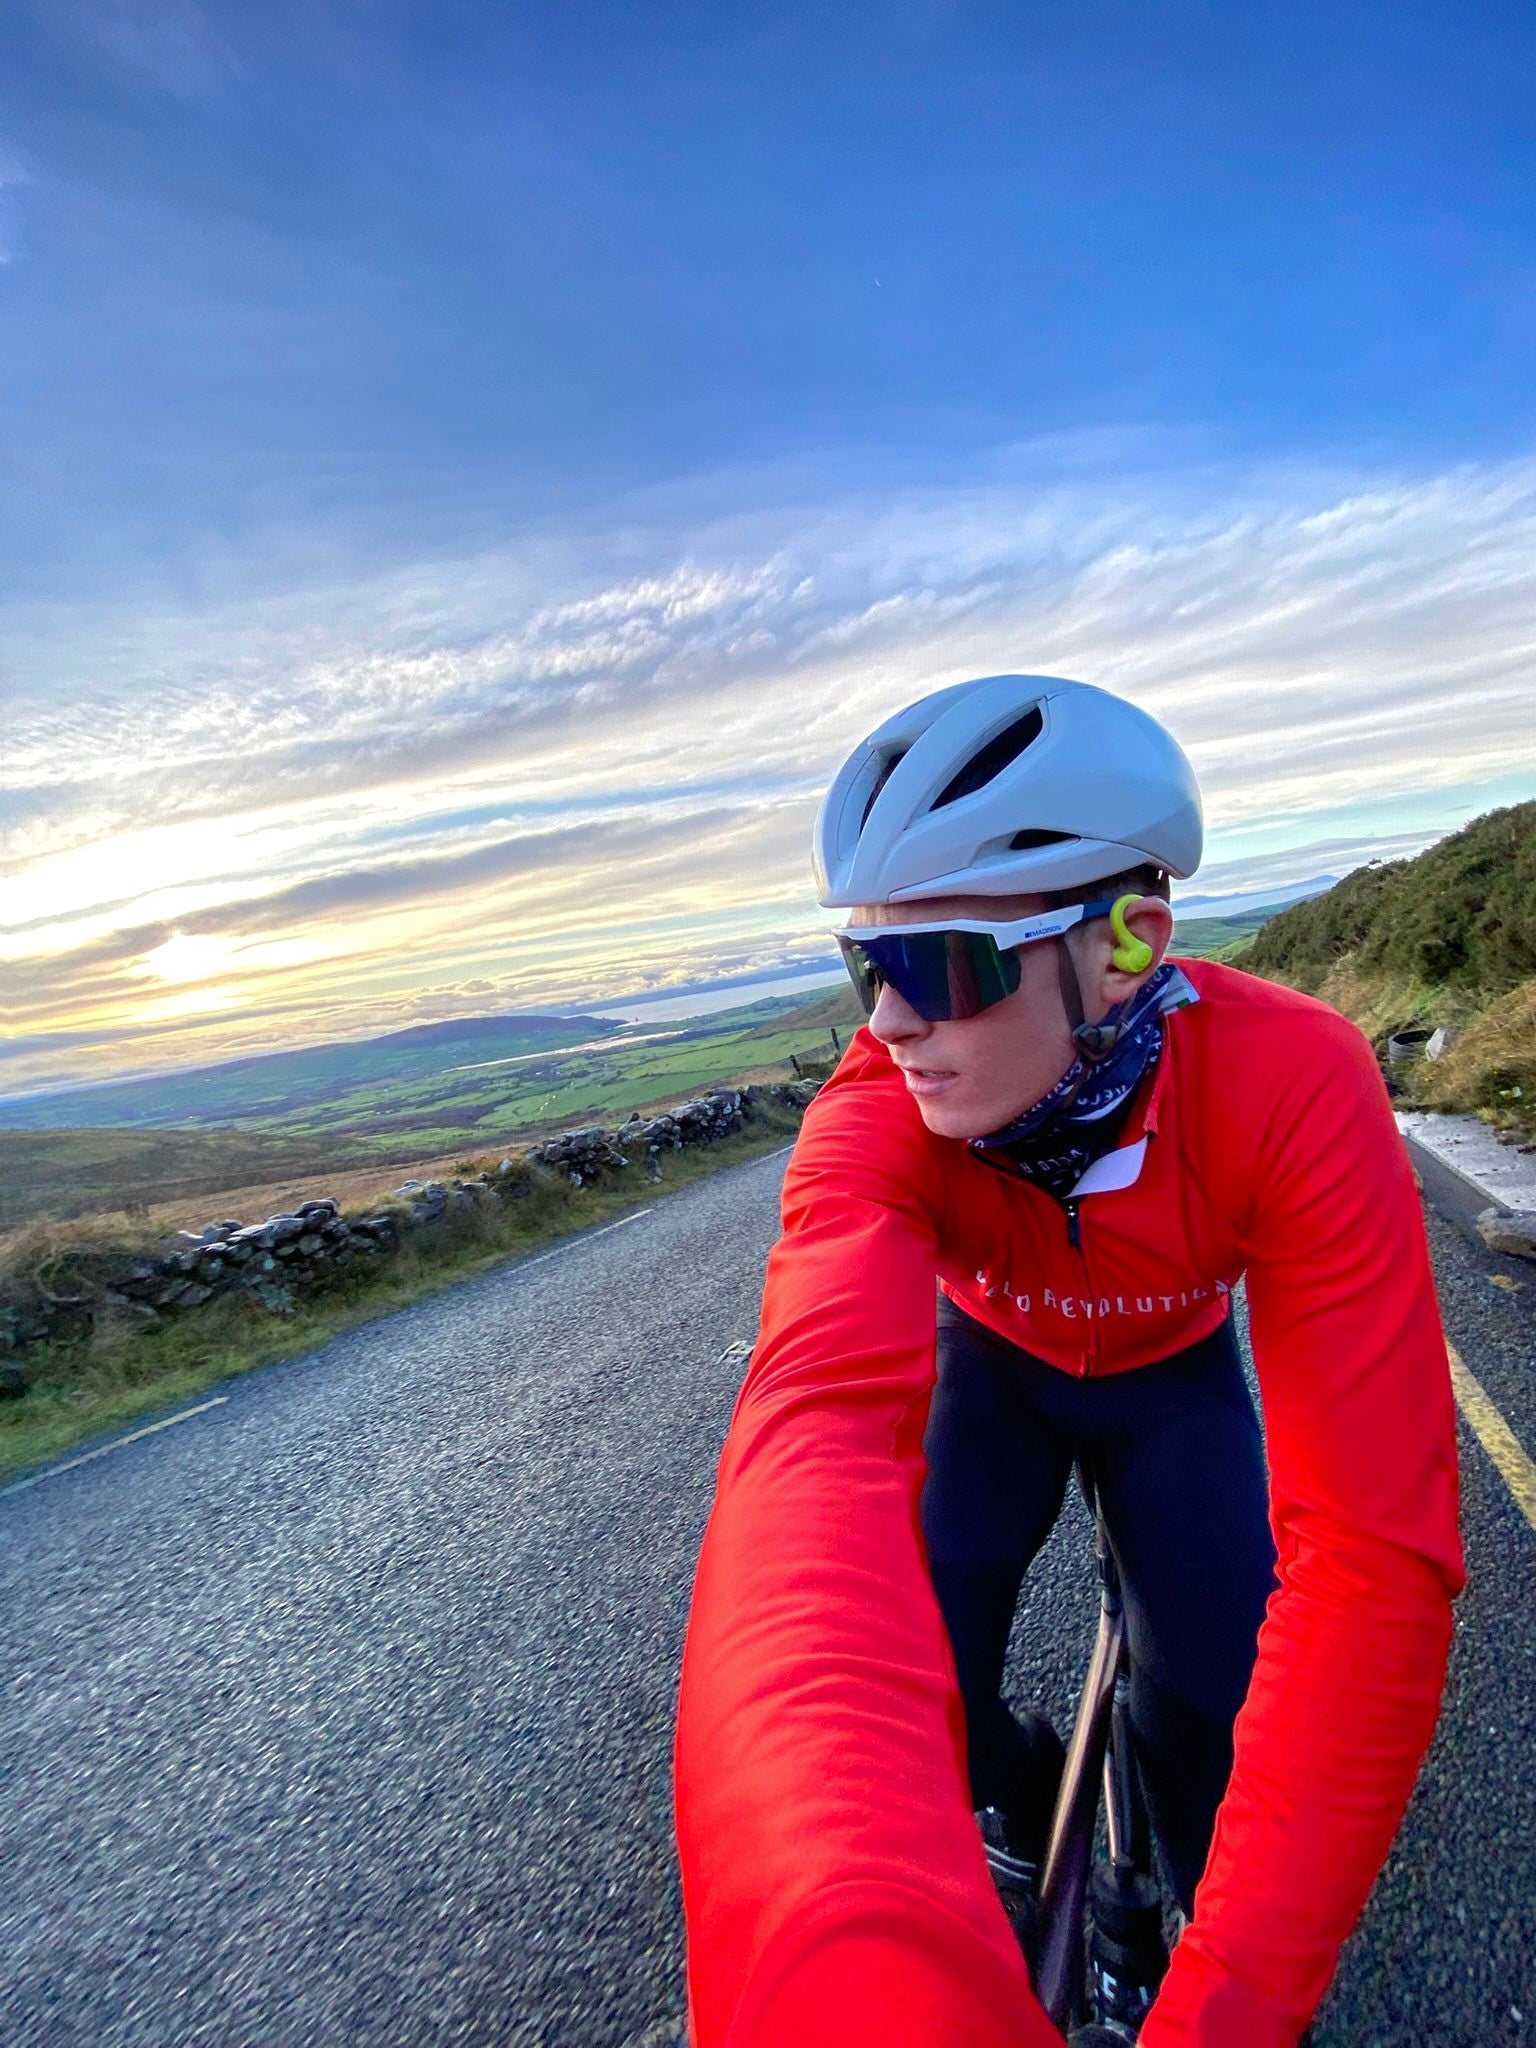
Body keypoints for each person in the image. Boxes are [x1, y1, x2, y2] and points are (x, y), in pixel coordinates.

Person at [674, 674, 1463, 2048]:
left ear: (1126, 946)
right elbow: (806, 1445)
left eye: (942, 966)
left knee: (1213, 1705)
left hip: (1172, 1376)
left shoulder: (1293, 1076)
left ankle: (1181, 1892)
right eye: (867, 967)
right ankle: (1018, 1778)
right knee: (929, 1675)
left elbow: (1370, 1551)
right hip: (1000, 1368)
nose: (889, 1024)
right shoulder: (874, 1113)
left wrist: (1230, 2011)